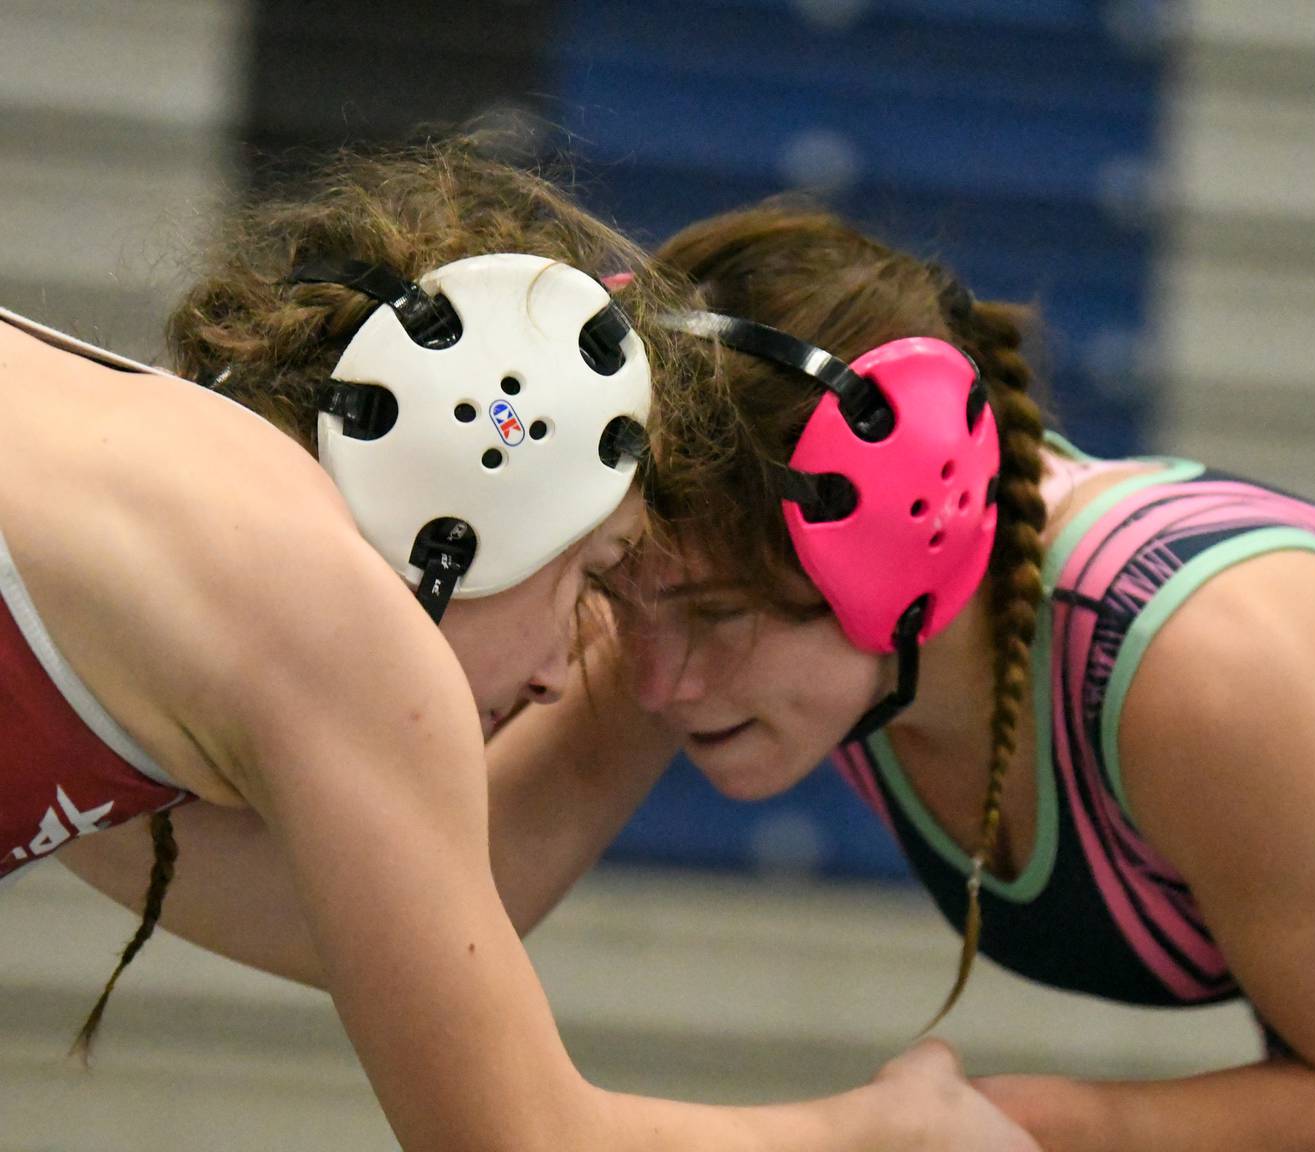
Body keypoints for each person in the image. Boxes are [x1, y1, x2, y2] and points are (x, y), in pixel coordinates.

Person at [3, 148, 1038, 1152]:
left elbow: (350, 916)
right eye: (594, 574)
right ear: (472, 503)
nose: (563, 676)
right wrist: (879, 1134)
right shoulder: (335, 620)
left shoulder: (159, 474)